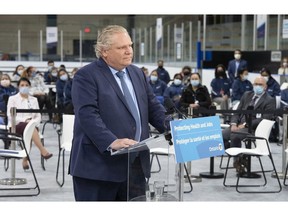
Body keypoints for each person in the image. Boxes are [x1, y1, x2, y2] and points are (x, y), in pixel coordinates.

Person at [69, 25, 167, 201]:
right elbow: (87, 115)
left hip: (135, 164)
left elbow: (152, 107)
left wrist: (172, 127)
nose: (129, 51)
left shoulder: (137, 73)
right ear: (104, 51)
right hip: (98, 167)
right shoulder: (86, 76)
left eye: (130, 45)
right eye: (122, 47)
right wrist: (111, 141)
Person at [6, 77, 53, 170]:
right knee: (30, 128)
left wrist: (33, 122)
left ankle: (25, 160)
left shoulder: (34, 100)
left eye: (27, 85)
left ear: (30, 86)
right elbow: (10, 115)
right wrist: (25, 120)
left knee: (30, 130)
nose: (24, 87)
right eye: (22, 85)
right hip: (16, 125)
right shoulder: (13, 99)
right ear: (18, 87)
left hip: (31, 125)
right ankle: (43, 151)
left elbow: (38, 115)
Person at [222, 76, 275, 150]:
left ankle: (238, 160)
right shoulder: (247, 95)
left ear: (265, 87)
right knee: (221, 135)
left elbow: (265, 119)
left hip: (253, 128)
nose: (258, 86)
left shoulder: (269, 100)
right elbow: (237, 112)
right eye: (256, 84)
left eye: (260, 84)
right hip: (238, 125)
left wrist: (245, 125)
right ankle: (236, 153)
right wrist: (233, 124)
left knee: (235, 136)